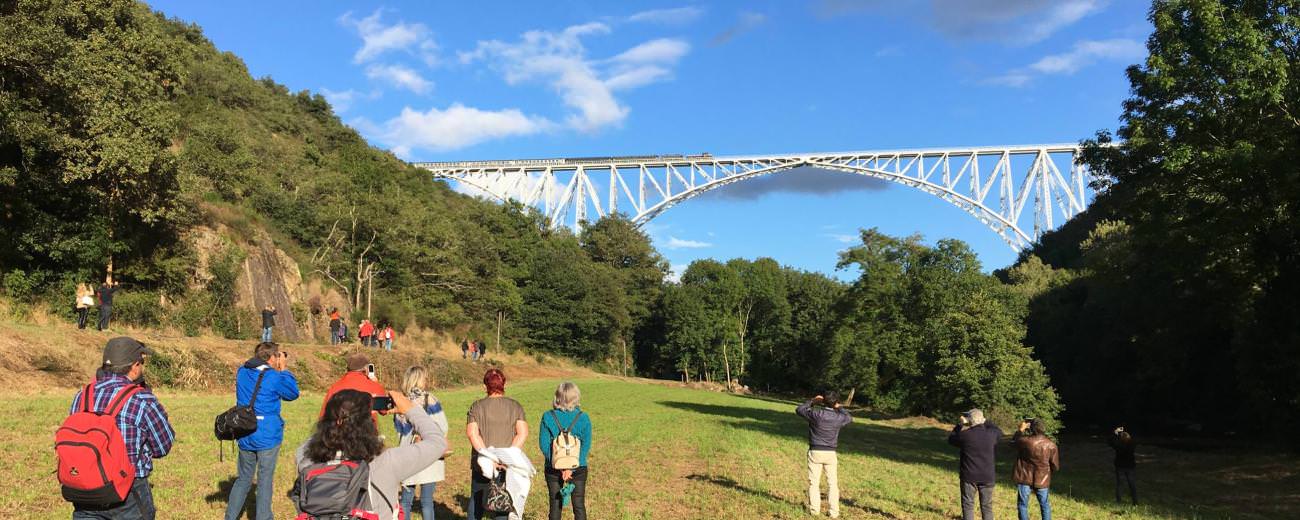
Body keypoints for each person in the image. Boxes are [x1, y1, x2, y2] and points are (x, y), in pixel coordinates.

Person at [296, 389, 448, 520]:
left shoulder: (305, 459)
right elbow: (438, 442)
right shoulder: (387, 462)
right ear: (368, 423)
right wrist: (410, 409)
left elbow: (314, 441)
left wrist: (336, 416)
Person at [68, 337, 175, 520]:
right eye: (141, 363)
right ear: (134, 366)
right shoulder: (142, 399)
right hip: (128, 492)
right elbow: (163, 446)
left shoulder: (82, 395)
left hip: (84, 488)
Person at [224, 342, 300, 520]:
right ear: (272, 357)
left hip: (244, 430)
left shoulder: (242, 372)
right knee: (265, 480)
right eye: (277, 356)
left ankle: (230, 516)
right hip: (267, 434)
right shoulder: (273, 376)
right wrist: (285, 370)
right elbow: (293, 393)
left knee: (243, 478)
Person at [465, 368, 527, 520]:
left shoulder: (476, 406)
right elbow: (522, 433)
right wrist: (507, 457)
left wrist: (488, 457)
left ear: (486, 385)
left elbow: (472, 433)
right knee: (502, 504)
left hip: (482, 464)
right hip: (507, 465)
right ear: (503, 384)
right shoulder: (515, 406)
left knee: (476, 501)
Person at [394, 367, 451, 520]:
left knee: (405, 502)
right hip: (429, 453)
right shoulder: (430, 399)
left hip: (408, 455)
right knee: (426, 501)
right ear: (420, 379)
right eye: (425, 378)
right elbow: (443, 426)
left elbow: (400, 432)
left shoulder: (400, 402)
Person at [539, 382, 592, 520]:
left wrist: (559, 466)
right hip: (578, 468)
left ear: (557, 397)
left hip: (553, 467)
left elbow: (544, 445)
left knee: (555, 506)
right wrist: (571, 469)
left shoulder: (547, 416)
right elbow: (586, 446)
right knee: (579, 506)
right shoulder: (584, 418)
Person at [795, 391, 853, 518]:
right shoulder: (838, 417)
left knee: (813, 483)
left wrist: (813, 401)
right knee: (832, 484)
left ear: (823, 401)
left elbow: (799, 409)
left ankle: (814, 510)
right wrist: (839, 407)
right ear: (836, 402)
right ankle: (834, 512)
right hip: (831, 453)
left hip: (815, 451)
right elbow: (849, 418)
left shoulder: (816, 414)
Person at [948, 408, 1002, 520]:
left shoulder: (964, 435)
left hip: (969, 475)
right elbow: (998, 430)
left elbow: (951, 439)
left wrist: (960, 425)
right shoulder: (991, 435)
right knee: (987, 506)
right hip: (987, 476)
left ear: (969, 421)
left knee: (968, 504)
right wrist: (985, 421)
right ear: (982, 420)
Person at [1012, 419, 1059, 520]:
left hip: (1024, 477)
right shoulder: (1051, 445)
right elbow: (1055, 466)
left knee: (1022, 504)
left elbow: (1013, 442)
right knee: (1045, 505)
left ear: (1031, 429)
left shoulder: (1024, 441)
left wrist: (1020, 430)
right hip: (1042, 478)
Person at [320, 353, 386, 417]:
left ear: (348, 368)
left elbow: (324, 414)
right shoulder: (374, 386)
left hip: (340, 427)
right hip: (367, 427)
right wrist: (376, 384)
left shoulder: (335, 386)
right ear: (367, 368)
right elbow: (383, 411)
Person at [1109, 427, 1138, 505]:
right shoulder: (1131, 445)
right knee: (1132, 484)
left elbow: (1111, 442)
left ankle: (1119, 501)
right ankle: (1135, 502)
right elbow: (1134, 439)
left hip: (1120, 467)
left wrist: (1115, 432)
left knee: (1120, 484)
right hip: (1130, 466)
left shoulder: (1118, 445)